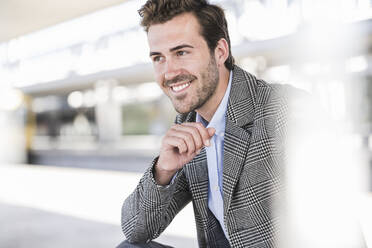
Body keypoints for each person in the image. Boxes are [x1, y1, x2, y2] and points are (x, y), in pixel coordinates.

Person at [118, 0, 292, 247]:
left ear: (220, 51)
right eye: (158, 58)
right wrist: (163, 171)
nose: (169, 72)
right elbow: (136, 230)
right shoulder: (189, 125)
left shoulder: (284, 108)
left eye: (181, 52)